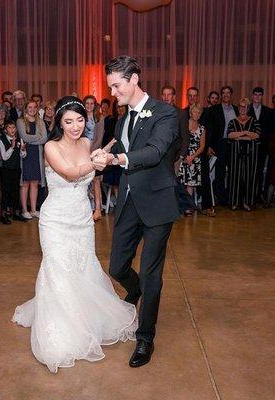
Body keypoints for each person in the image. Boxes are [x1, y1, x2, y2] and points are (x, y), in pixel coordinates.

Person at [12, 96, 137, 374]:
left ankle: (86, 318)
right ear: (59, 122)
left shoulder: (85, 143)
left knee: (83, 266)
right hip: (55, 219)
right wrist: (99, 162)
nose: (75, 126)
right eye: (69, 121)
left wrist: (96, 207)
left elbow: (89, 179)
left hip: (82, 217)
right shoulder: (50, 147)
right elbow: (70, 173)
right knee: (58, 268)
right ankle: (63, 328)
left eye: (80, 120)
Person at [96, 56, 181, 368]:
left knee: (151, 272)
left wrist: (118, 160)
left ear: (133, 79)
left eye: (116, 85)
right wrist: (103, 155)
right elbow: (123, 150)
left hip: (158, 202)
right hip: (129, 201)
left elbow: (157, 151)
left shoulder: (166, 113)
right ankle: (136, 291)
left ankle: (145, 336)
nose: (113, 92)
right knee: (117, 266)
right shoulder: (122, 119)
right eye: (111, 87)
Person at [202, 85, 238, 206]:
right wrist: (209, 146)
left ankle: (232, 197)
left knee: (234, 172)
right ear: (221, 95)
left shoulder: (237, 110)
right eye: (224, 93)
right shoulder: (214, 109)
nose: (226, 95)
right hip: (219, 144)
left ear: (231, 95)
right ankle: (222, 199)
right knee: (220, 174)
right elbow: (209, 129)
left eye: (228, 92)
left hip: (234, 145)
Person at [226, 97, 261, 211]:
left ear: (248, 108)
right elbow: (230, 135)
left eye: (245, 106)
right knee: (234, 177)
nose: (242, 109)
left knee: (249, 177)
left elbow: (257, 136)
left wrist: (239, 136)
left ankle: (247, 202)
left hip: (251, 155)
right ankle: (234, 202)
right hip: (235, 154)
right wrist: (246, 134)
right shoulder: (233, 121)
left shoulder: (254, 121)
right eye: (241, 106)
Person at [17, 100, 48, 219]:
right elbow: (24, 137)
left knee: (35, 183)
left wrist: (31, 140)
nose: (32, 109)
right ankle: (25, 210)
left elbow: (44, 139)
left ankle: (34, 210)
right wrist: (37, 137)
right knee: (25, 183)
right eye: (30, 107)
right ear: (25, 108)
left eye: (35, 107)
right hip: (25, 155)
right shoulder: (20, 121)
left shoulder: (40, 121)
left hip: (36, 155)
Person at [178, 103, 206, 213]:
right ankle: (178, 206)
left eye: (199, 112)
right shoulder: (183, 125)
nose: (197, 114)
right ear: (190, 113)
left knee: (190, 184)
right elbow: (179, 141)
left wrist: (192, 157)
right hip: (182, 156)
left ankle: (188, 207)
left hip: (195, 158)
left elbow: (202, 146)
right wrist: (183, 156)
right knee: (180, 183)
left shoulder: (202, 128)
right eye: (195, 112)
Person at [0, 120, 26, 225]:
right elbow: (4, 157)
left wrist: (23, 150)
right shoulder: (2, 140)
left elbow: (23, 155)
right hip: (6, 170)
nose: (12, 130)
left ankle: (16, 213)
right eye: (9, 128)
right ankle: (3, 215)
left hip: (16, 169)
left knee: (15, 192)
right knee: (6, 192)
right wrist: (12, 147)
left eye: (13, 127)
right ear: (5, 130)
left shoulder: (20, 139)